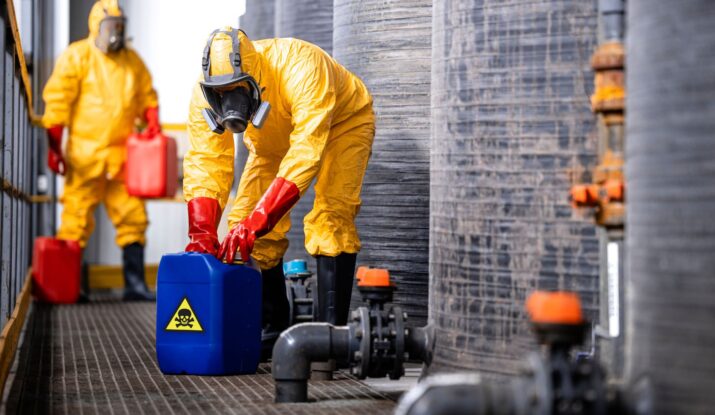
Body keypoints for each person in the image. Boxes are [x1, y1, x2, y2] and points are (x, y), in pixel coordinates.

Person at [183, 28, 374, 350]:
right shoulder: (203, 97)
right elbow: (206, 161)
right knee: (240, 225)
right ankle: (272, 327)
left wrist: (259, 221)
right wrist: (202, 232)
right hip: (271, 142)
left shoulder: (302, 64)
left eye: (237, 90)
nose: (230, 102)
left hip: (343, 124)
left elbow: (305, 152)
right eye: (222, 93)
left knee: (330, 217)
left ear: (255, 79)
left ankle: (332, 339)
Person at [41, 0, 159, 301]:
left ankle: (134, 286)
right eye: (111, 28)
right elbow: (58, 102)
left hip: (122, 159)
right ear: (96, 27)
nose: (116, 34)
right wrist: (54, 147)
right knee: (76, 218)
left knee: (133, 218)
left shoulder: (132, 61)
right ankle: (72, 286)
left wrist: (153, 121)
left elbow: (147, 96)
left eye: (120, 28)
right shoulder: (77, 56)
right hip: (84, 158)